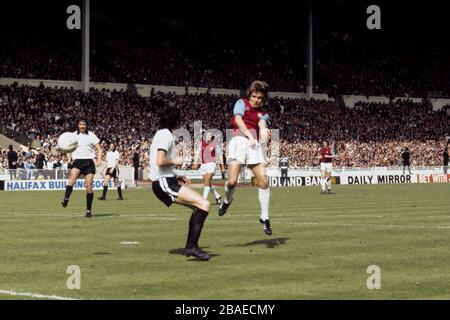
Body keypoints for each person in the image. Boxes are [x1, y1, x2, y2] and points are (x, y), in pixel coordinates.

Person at [150, 108, 211, 261]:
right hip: (163, 183)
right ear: (175, 121)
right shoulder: (165, 135)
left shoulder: (162, 134)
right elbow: (160, 161)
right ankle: (191, 247)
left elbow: (161, 164)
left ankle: (192, 246)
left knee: (199, 207)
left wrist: (177, 175)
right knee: (203, 204)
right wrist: (176, 162)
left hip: (167, 180)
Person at [219, 80, 273, 235]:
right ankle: (227, 201)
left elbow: (262, 122)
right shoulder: (241, 103)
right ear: (250, 95)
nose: (257, 100)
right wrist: (249, 135)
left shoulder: (263, 113)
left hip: (254, 144)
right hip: (239, 141)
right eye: (255, 96)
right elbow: (237, 120)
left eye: (260, 98)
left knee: (263, 181)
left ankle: (265, 217)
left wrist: (263, 129)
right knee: (232, 181)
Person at [60, 119, 102, 218]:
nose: (82, 126)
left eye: (84, 124)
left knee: (89, 187)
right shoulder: (73, 135)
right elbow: (67, 147)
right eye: (80, 124)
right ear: (78, 125)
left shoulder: (91, 135)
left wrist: (99, 160)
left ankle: (88, 211)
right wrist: (69, 158)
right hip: (77, 161)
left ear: (86, 125)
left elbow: (99, 148)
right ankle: (66, 199)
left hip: (88, 161)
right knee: (71, 179)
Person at [193, 133, 222, 204]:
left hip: (212, 164)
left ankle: (203, 199)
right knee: (207, 182)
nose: (208, 136)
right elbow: (197, 154)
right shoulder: (201, 144)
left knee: (208, 180)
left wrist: (222, 166)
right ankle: (217, 196)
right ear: (205, 136)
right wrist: (195, 163)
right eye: (207, 135)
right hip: (203, 165)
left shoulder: (215, 144)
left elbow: (220, 155)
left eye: (210, 135)